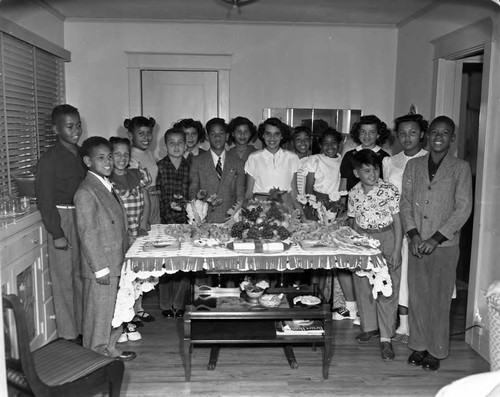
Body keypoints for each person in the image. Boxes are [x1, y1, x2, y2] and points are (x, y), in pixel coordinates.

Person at [401, 116, 472, 371]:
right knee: (417, 296)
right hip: (417, 242)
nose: (438, 137)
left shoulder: (460, 168)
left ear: (452, 138)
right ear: (427, 136)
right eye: (434, 132)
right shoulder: (414, 166)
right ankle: (418, 345)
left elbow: (463, 208)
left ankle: (436, 350)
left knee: (439, 299)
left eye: (445, 133)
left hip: (444, 245)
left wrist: (436, 238)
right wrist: (413, 235)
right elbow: (405, 203)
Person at [74, 136, 136, 361]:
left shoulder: (105, 185)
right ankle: (95, 358)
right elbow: (87, 233)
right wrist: (99, 269)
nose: (108, 162)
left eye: (110, 156)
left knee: (113, 310)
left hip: (116, 260)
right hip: (102, 265)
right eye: (101, 158)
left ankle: (110, 348)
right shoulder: (86, 191)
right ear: (88, 161)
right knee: (99, 314)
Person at [35, 104, 85, 344]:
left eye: (78, 125)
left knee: (81, 276)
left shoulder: (83, 154)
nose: (76, 131)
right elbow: (45, 201)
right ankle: (68, 334)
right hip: (62, 219)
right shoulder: (49, 160)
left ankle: (85, 326)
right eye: (69, 126)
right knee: (64, 277)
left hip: (83, 218)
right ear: (56, 129)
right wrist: (57, 233)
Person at [347, 149, 402, 361]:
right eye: (367, 170)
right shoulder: (353, 192)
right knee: (363, 283)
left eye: (376, 169)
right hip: (362, 239)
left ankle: (386, 338)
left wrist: (396, 250)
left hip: (386, 237)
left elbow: (398, 222)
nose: (373, 174)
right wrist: (352, 246)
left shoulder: (389, 190)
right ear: (356, 172)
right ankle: (369, 327)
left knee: (387, 288)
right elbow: (352, 220)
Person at [338, 114, 391, 325]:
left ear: (379, 134)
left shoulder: (385, 157)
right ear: (356, 133)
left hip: (376, 220)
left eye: (372, 132)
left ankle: (376, 315)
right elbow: (343, 187)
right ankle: (354, 309)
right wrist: (340, 212)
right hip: (352, 212)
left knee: (373, 267)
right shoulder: (349, 155)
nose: (367, 136)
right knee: (349, 264)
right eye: (363, 131)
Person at [382, 113, 428, 344]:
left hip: (421, 227)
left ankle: (416, 326)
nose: (407, 137)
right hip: (394, 226)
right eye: (402, 133)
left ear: (422, 134)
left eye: (412, 132)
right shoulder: (389, 161)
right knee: (396, 274)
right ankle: (401, 325)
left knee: (416, 276)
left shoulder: (430, 159)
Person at [109, 137, 153, 342]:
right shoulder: (107, 180)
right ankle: (120, 323)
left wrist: (143, 224)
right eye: (117, 154)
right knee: (121, 277)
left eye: (126, 154)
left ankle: (134, 313)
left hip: (138, 232)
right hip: (120, 236)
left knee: (137, 275)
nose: (122, 158)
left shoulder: (137, 175)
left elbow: (146, 201)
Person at [156, 127, 191, 318]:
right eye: (172, 142)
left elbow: (194, 195)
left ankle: (179, 303)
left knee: (184, 265)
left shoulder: (190, 166)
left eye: (180, 142)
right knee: (166, 264)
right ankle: (165, 304)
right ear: (165, 145)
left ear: (185, 145)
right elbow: (158, 197)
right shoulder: (159, 166)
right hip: (165, 221)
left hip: (186, 222)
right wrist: (167, 219)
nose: (176, 146)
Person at [189, 118, 245, 223]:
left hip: (229, 219)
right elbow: (193, 191)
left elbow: (240, 195)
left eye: (221, 134)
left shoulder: (237, 163)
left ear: (227, 136)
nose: (217, 138)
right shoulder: (198, 161)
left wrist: (236, 218)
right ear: (207, 137)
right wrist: (202, 204)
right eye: (213, 134)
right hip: (205, 219)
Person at [245, 117, 300, 200]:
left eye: (276, 134)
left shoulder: (292, 158)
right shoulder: (253, 158)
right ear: (263, 135)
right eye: (268, 134)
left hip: (285, 207)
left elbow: (294, 191)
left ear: (282, 135)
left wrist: (301, 212)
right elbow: (249, 192)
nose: (272, 138)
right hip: (260, 207)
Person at [125, 116, 160, 224]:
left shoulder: (149, 153)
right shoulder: (129, 157)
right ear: (131, 135)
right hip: (141, 202)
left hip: (154, 201)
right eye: (141, 134)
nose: (146, 137)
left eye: (149, 133)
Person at [292, 125, 312, 196]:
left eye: (306, 139)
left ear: (310, 141)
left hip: (307, 201)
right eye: (298, 139)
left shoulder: (313, 161)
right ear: (292, 142)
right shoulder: (288, 160)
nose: (303, 142)